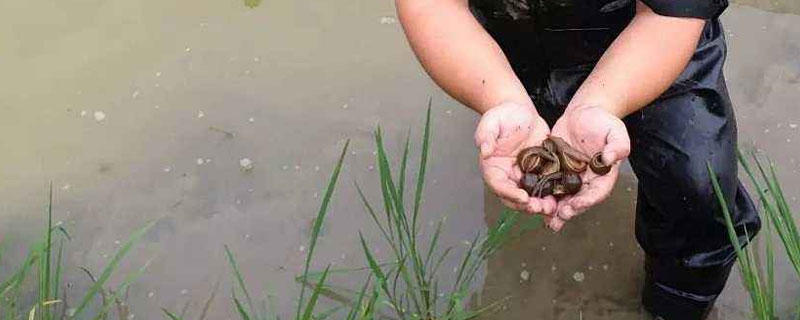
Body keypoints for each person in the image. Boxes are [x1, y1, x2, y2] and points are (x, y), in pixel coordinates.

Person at [395, 0, 761, 319]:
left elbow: (671, 15)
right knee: (513, 141)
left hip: (657, 36)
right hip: (511, 43)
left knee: (698, 187)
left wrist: (601, 102)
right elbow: (433, 4)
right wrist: (500, 97)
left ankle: (679, 304)